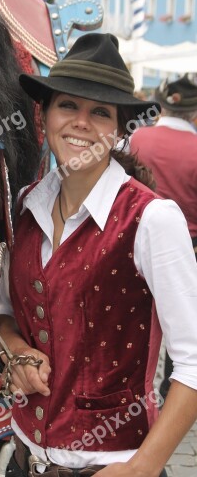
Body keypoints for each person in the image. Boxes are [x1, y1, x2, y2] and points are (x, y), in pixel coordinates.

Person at [0, 33, 197, 477]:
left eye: (100, 112)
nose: (81, 123)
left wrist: (143, 468)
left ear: (120, 130)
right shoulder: (23, 208)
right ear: (43, 115)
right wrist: (16, 352)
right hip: (25, 461)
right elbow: (5, 314)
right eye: (68, 105)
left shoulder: (152, 219)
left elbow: (193, 363)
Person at [130, 74, 197, 400]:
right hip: (189, 245)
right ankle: (174, 383)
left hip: (130, 237)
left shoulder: (137, 137)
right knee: (182, 321)